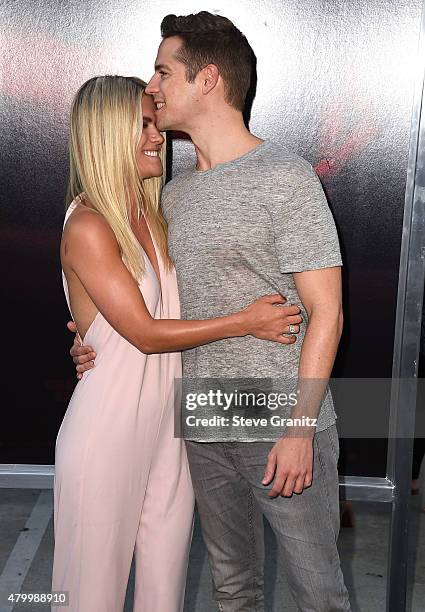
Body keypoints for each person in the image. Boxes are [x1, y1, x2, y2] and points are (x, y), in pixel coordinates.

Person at [71, 12, 352, 612]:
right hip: (200, 415)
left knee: (316, 592)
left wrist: (300, 428)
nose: (152, 87)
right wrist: (93, 333)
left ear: (208, 79)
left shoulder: (284, 177)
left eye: (163, 71)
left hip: (280, 414)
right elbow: (148, 302)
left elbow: (327, 313)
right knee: (232, 589)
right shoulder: (172, 195)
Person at [53, 74, 303, 612]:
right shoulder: (90, 224)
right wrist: (245, 321)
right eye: (142, 125)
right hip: (108, 428)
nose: (157, 136)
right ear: (105, 134)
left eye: (155, 121)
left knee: (164, 591)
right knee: (88, 596)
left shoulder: (154, 213)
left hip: (170, 427)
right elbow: (142, 334)